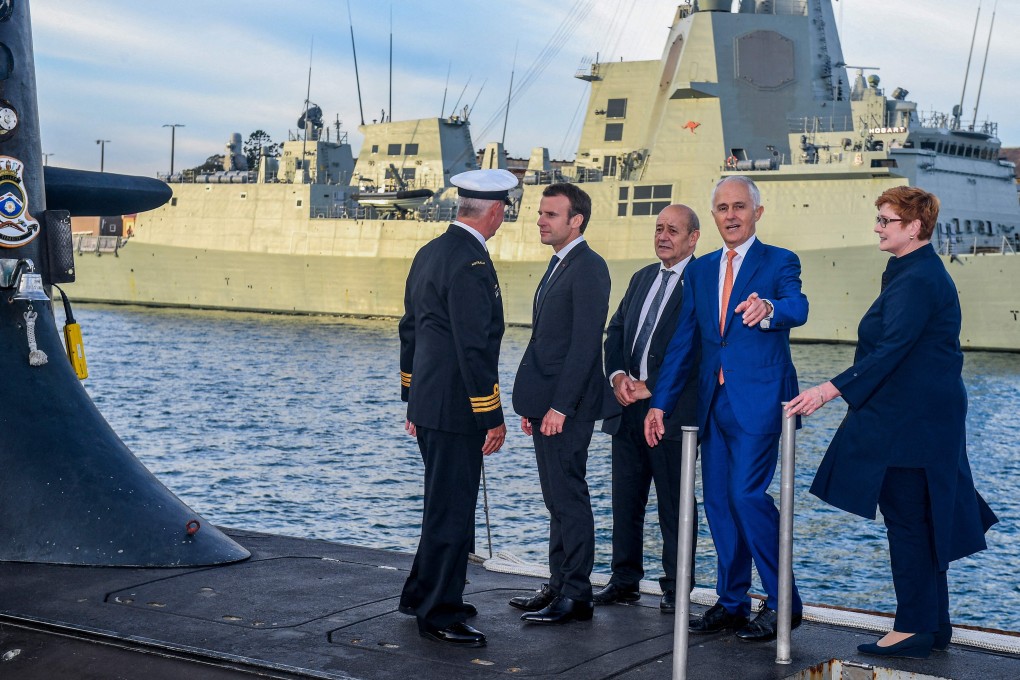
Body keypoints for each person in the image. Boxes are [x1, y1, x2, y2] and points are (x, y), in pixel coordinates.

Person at [786, 186, 997, 659]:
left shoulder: (917, 278)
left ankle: (914, 627)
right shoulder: (914, 271)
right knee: (921, 519)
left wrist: (827, 389)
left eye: (886, 220)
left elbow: (892, 348)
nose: (877, 227)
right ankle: (933, 624)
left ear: (914, 227)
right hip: (922, 420)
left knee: (906, 520)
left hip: (912, 425)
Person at [644, 175, 807, 642]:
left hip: (758, 402)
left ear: (757, 212)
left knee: (746, 496)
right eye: (722, 208)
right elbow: (684, 342)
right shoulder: (701, 269)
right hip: (712, 405)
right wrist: (661, 404)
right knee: (717, 504)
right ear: (712, 216)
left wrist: (770, 308)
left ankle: (783, 603)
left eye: (739, 206)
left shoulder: (780, 260)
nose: (731, 215)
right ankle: (733, 602)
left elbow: (798, 305)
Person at [397, 168, 517, 648]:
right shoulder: (471, 263)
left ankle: (422, 594)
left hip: (431, 404)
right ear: (494, 211)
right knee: (452, 512)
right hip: (457, 409)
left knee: (440, 506)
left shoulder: (430, 252)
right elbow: (473, 348)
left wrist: (412, 397)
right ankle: (440, 613)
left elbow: (410, 329)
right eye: (504, 209)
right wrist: (490, 415)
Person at [509, 182, 618, 625]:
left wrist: (560, 407)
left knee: (569, 496)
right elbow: (548, 341)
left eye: (551, 214)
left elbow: (584, 345)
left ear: (576, 220)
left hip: (566, 407)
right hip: (547, 405)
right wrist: (538, 405)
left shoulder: (589, 267)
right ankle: (558, 584)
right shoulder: (560, 264)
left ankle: (577, 594)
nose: (540, 220)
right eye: (541, 213)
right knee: (555, 497)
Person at [595, 204, 701, 613]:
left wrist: (652, 389)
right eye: (659, 228)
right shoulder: (642, 278)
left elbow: (701, 351)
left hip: (671, 414)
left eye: (673, 230)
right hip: (626, 411)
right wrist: (619, 376)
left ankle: (677, 589)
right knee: (626, 501)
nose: (663, 236)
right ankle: (624, 581)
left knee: (674, 506)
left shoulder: (702, 281)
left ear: (693, 238)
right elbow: (616, 331)